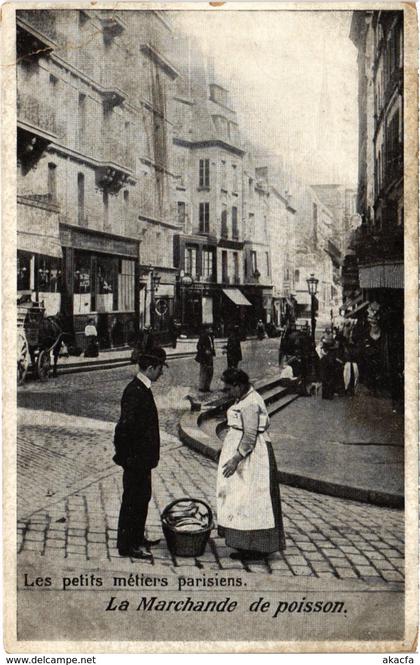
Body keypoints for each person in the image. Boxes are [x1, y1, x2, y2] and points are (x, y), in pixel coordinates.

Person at [217, 368, 286, 561]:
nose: (226, 392)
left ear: (238, 386)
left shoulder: (251, 404)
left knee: (254, 498)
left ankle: (256, 547)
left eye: (228, 389)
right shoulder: (245, 398)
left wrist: (235, 459)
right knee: (243, 498)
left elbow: (249, 436)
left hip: (253, 458)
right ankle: (247, 544)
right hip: (248, 454)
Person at [113, 347, 168, 559]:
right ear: (151, 368)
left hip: (142, 458)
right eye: (160, 368)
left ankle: (136, 537)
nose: (162, 373)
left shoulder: (142, 388)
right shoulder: (135, 391)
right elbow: (124, 428)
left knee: (142, 497)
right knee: (132, 500)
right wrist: (127, 457)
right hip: (135, 459)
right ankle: (126, 545)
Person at [195, 325, 216, 392]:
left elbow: (212, 346)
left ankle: (207, 387)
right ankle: (202, 387)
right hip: (204, 357)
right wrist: (205, 350)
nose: (211, 329)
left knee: (210, 371)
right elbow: (198, 346)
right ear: (206, 329)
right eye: (210, 328)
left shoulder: (211, 337)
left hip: (210, 356)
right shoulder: (203, 336)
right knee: (204, 371)